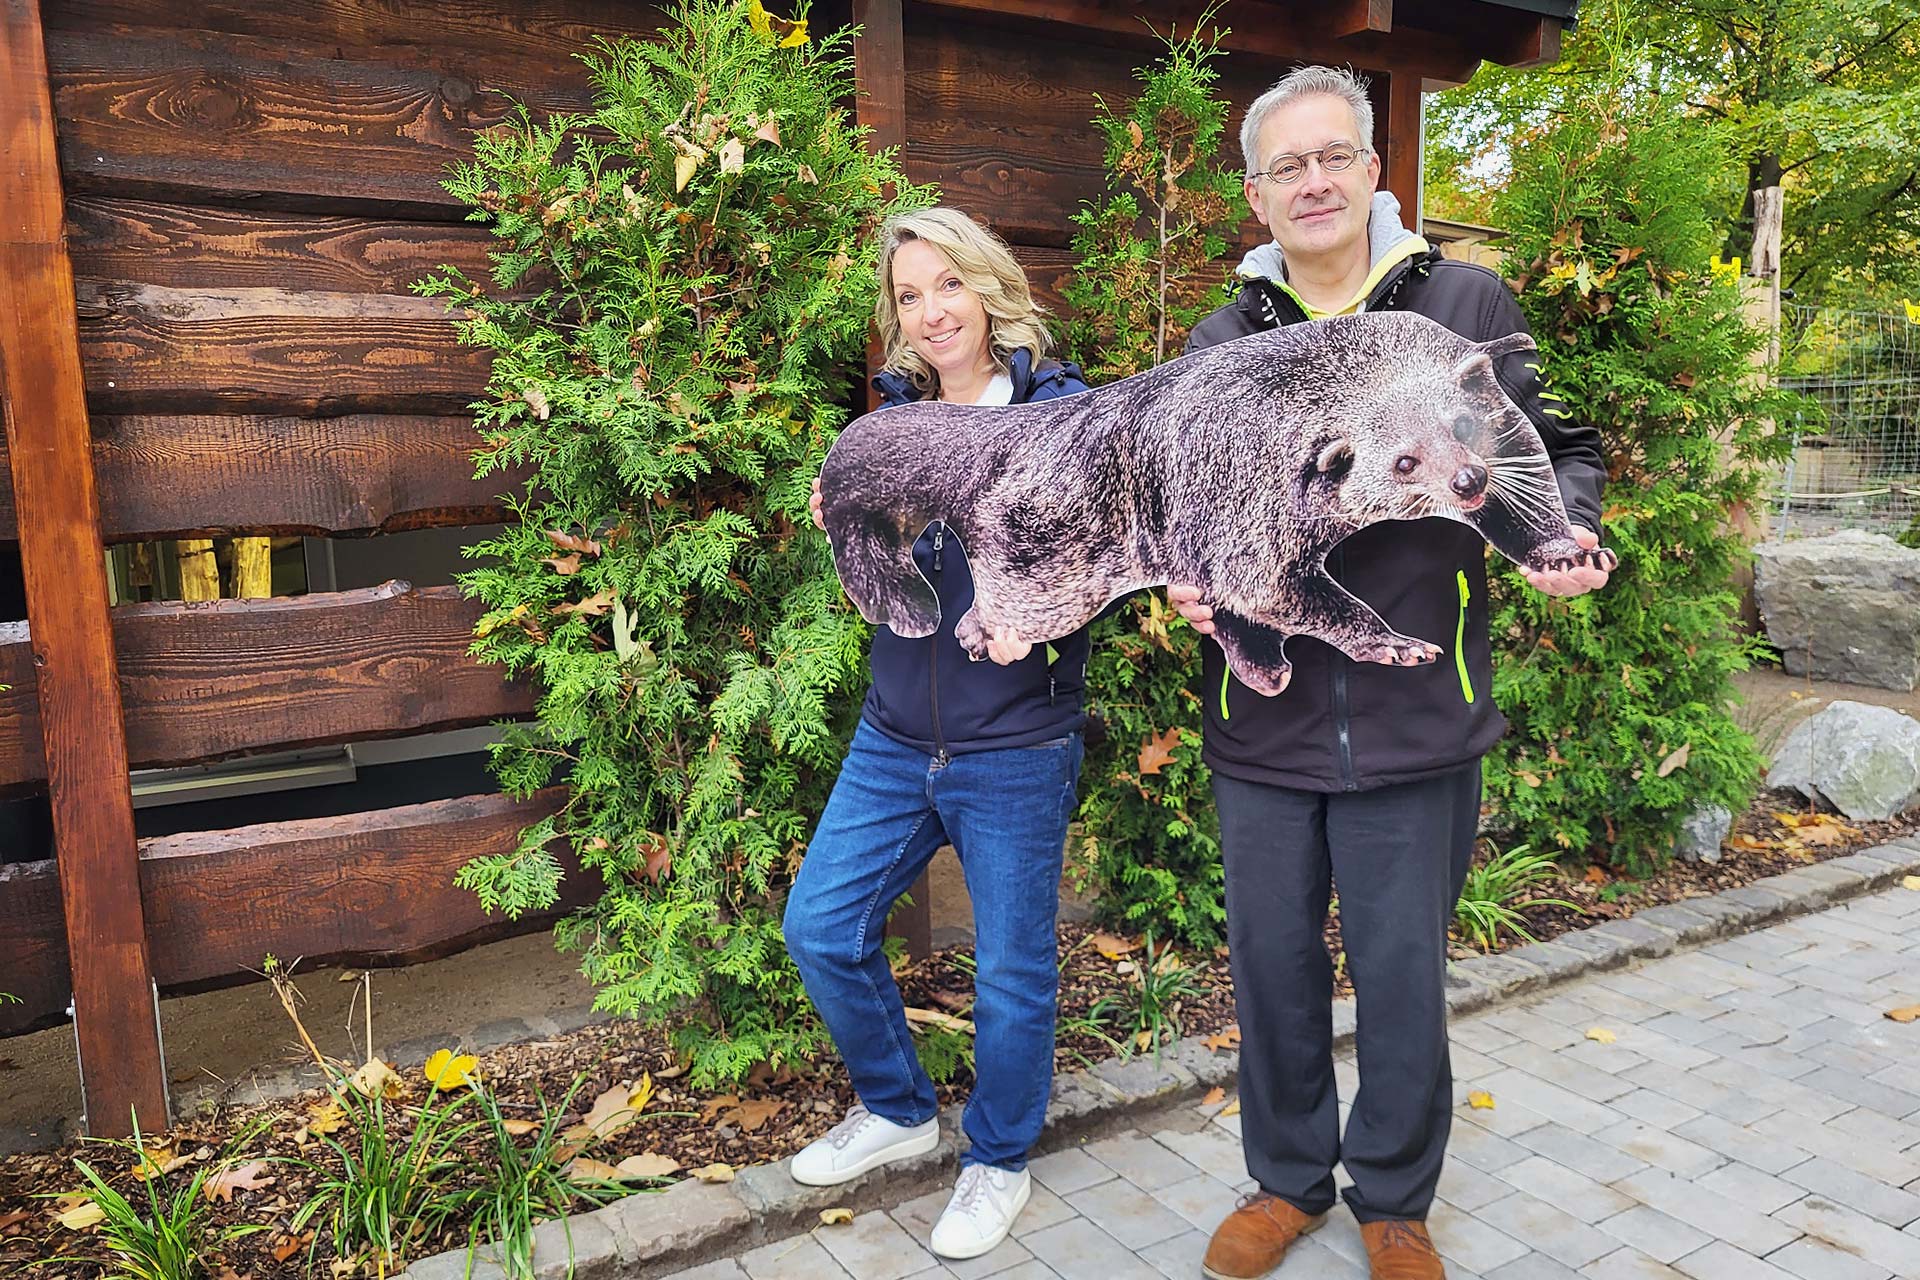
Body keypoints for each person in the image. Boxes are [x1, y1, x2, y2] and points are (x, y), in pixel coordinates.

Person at [1167, 67, 1611, 1280]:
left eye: (1332, 157)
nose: (1312, 183)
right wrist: (1190, 579)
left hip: (1422, 712)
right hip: (1262, 723)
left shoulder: (1465, 300)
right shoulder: (1223, 342)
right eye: (1284, 167)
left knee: (1404, 973)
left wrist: (1558, 533)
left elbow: (1552, 447)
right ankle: (1285, 1179)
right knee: (1271, 964)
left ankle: (1397, 1200)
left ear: (1373, 171)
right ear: (1256, 196)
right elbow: (1189, 508)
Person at [783, 206, 1091, 1260]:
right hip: (895, 737)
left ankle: (996, 1158)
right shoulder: (887, 420)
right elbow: (877, 581)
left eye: (946, 286)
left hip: (1016, 744)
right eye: (909, 295)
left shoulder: (1062, 415)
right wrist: (846, 521)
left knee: (1011, 972)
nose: (929, 313)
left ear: (990, 287)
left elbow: (1101, 565)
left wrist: (1037, 616)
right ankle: (900, 1105)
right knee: (821, 926)